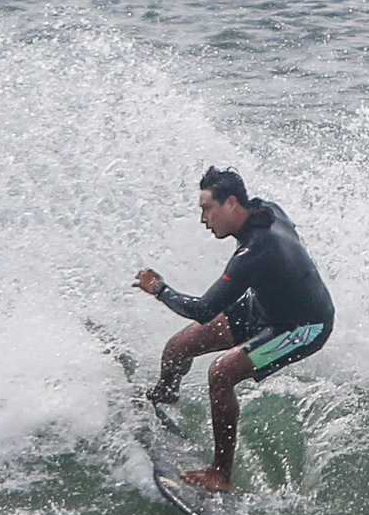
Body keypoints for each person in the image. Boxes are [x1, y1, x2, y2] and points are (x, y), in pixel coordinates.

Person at [133, 166, 335, 492]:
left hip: (303, 325)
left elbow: (203, 309)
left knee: (221, 372)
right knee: (178, 346)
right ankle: (166, 393)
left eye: (206, 209)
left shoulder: (255, 253)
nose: (203, 219)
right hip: (265, 306)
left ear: (230, 204)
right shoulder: (264, 211)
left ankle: (220, 473)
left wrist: (159, 288)